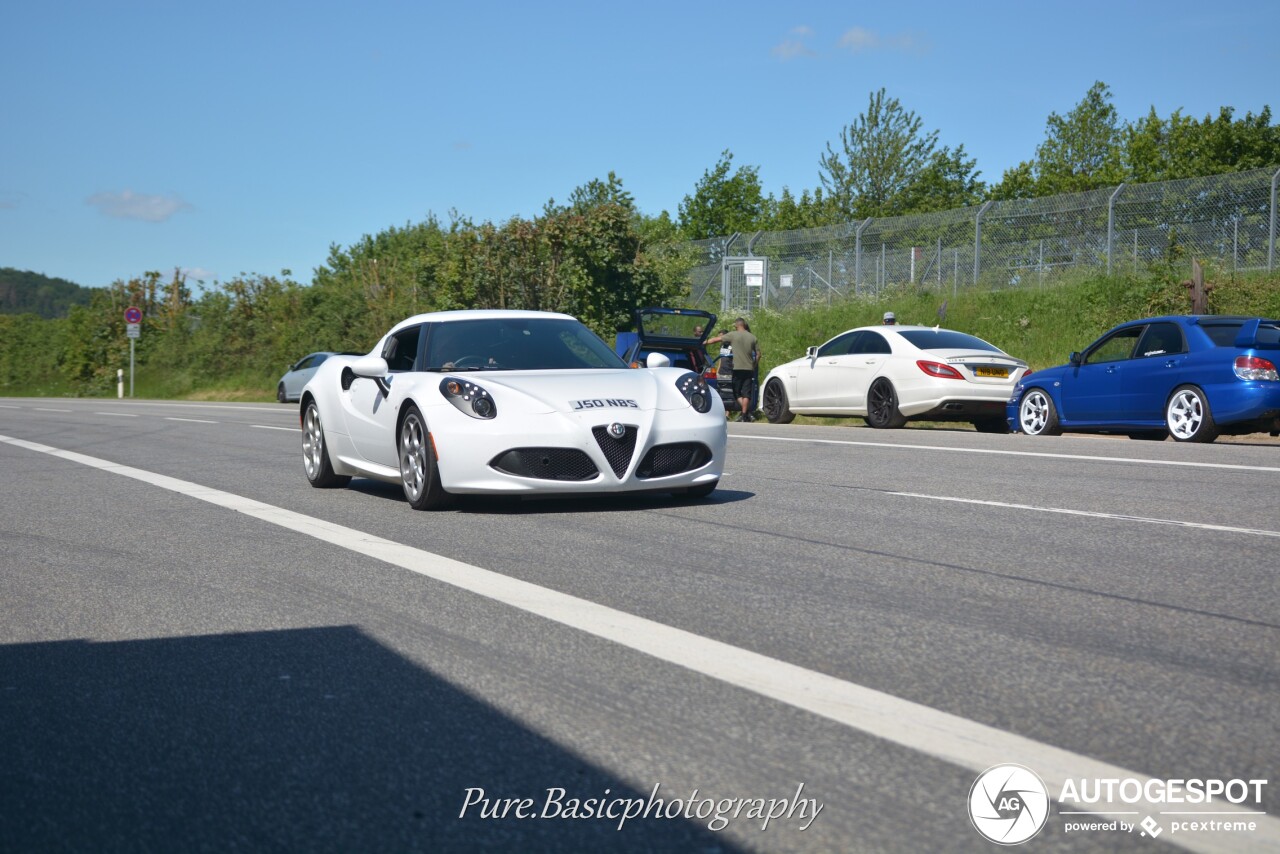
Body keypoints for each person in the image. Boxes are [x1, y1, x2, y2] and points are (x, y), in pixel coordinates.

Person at [706, 318, 760, 422]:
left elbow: (715, 340)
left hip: (737, 368)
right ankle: (744, 414)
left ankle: (745, 413)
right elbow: (758, 354)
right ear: (744, 325)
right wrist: (754, 364)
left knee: (736, 392)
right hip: (749, 369)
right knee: (746, 392)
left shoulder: (733, 334)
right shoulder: (753, 337)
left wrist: (703, 342)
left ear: (736, 326)